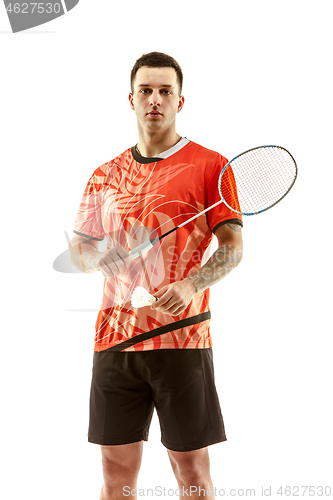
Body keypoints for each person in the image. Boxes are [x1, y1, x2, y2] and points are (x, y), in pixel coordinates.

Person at [69, 52, 243, 500]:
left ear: (180, 102)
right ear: (131, 99)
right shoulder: (104, 175)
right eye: (146, 90)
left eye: (166, 91)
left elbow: (233, 247)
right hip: (114, 341)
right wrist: (99, 258)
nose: (155, 99)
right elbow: (79, 249)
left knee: (192, 474)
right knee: (114, 474)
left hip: (181, 340)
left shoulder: (211, 165)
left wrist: (191, 284)